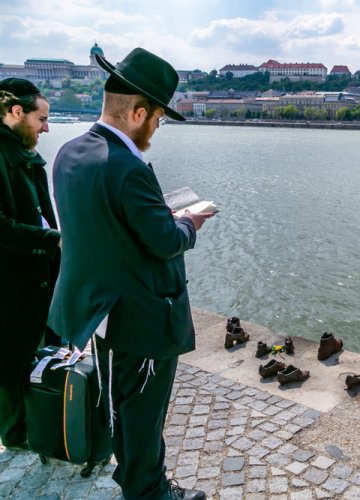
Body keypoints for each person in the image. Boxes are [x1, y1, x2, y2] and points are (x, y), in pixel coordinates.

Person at [48, 48, 212, 500]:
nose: (157, 130)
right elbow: (163, 240)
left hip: (99, 312)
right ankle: (149, 492)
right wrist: (187, 222)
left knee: (121, 405)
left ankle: (134, 478)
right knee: (143, 412)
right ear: (138, 112)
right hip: (141, 317)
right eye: (157, 119)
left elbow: (104, 227)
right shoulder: (127, 166)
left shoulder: (69, 152)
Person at [0, 78, 61, 450]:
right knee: (9, 365)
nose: (47, 127)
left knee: (35, 357)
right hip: (9, 285)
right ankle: (16, 437)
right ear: (16, 111)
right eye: (41, 118)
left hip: (36, 277)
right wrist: (56, 241)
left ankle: (38, 428)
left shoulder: (22, 152)